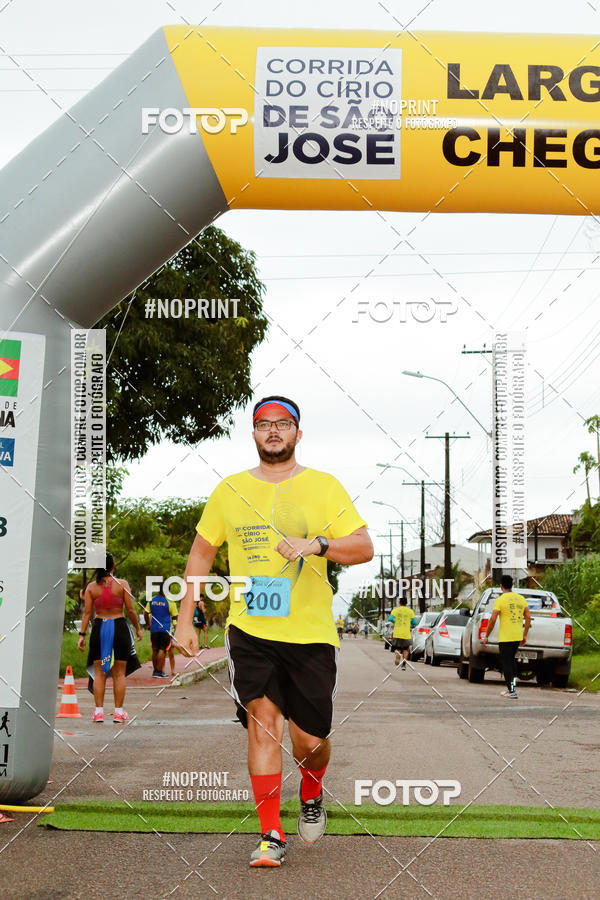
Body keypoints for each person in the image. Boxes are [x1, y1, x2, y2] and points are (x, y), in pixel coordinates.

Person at [175, 395, 373, 868]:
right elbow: (202, 553)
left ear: (298, 433)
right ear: (254, 434)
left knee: (309, 742)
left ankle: (312, 787)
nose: (274, 431)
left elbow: (363, 546)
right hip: (251, 629)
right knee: (263, 726)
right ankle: (270, 833)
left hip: (310, 633)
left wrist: (318, 544)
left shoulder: (324, 487)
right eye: (264, 424)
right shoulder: (230, 491)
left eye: (283, 423)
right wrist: (187, 613)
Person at [78, 552, 142, 723]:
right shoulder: (122, 584)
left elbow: (86, 614)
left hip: (99, 628)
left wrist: (82, 635)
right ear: (113, 565)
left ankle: (98, 712)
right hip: (119, 626)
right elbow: (131, 610)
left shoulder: (91, 587)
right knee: (119, 674)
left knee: (99, 673)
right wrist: (138, 628)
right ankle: (118, 713)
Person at [482, 574, 531, 699]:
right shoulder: (521, 599)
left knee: (507, 664)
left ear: (501, 586)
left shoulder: (500, 599)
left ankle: (512, 690)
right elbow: (528, 617)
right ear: (512, 585)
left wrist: (486, 635)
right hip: (517, 637)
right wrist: (524, 635)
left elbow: (493, 618)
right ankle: (512, 688)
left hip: (505, 638)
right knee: (512, 663)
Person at [145, 582, 172, 678]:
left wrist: (148, 624)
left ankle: (155, 671)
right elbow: (175, 615)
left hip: (154, 629)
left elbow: (146, 612)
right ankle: (159, 671)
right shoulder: (169, 601)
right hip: (165, 629)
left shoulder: (152, 600)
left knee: (155, 649)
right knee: (162, 650)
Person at [388, 598, 417, 670]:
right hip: (406, 634)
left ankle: (397, 654)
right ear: (406, 603)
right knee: (405, 650)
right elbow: (414, 622)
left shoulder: (395, 610)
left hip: (397, 633)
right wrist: (410, 625)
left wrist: (396, 621)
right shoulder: (410, 611)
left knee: (397, 648)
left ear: (399, 602)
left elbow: (390, 619)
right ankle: (403, 664)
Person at [167, 598, 179, 677]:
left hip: (159, 630)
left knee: (160, 651)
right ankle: (172, 671)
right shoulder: (171, 602)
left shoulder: (154, 601)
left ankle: (172, 670)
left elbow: (175, 619)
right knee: (170, 652)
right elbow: (175, 618)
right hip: (168, 631)